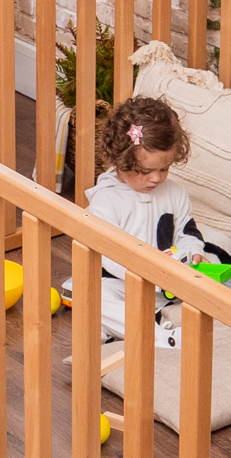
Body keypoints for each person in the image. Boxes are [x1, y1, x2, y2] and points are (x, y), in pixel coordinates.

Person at [82, 95, 209, 339]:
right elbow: (109, 255)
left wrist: (194, 253)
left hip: (167, 286)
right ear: (120, 161)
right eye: (144, 171)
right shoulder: (107, 200)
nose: (156, 178)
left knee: (212, 282)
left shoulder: (174, 192)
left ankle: (145, 326)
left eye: (164, 169)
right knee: (93, 299)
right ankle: (160, 335)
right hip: (120, 284)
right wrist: (151, 274)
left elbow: (187, 232)